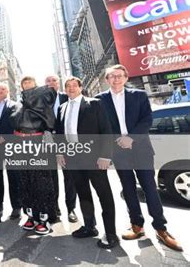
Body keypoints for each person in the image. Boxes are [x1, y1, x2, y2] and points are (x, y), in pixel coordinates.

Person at [96, 64, 182, 251]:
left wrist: (131, 138)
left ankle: (161, 228)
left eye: (119, 76)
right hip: (118, 150)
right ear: (106, 80)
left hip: (141, 148)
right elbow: (102, 127)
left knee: (150, 188)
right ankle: (136, 225)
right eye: (112, 76)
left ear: (126, 78)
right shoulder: (99, 100)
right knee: (128, 189)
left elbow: (147, 120)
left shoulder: (139, 95)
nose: (116, 79)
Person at [56, 76, 118, 249]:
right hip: (73, 158)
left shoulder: (95, 104)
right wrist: (60, 152)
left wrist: (106, 155)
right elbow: (60, 133)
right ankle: (90, 226)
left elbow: (106, 130)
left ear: (80, 87)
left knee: (104, 195)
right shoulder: (62, 108)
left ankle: (111, 233)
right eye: (67, 86)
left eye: (74, 85)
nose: (71, 88)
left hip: (95, 158)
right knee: (83, 194)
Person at [10, 76, 57, 235]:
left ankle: (44, 217)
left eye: (30, 82)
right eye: (24, 83)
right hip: (21, 145)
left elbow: (50, 98)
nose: (27, 85)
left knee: (41, 182)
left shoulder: (43, 97)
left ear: (35, 84)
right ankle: (31, 215)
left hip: (38, 143)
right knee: (25, 182)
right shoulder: (20, 104)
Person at [45, 74, 77, 223]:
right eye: (48, 81)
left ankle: (71, 209)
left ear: (59, 84)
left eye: (54, 81)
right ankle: (54, 208)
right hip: (48, 142)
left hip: (66, 142)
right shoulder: (41, 100)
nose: (51, 83)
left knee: (70, 177)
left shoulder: (67, 97)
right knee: (51, 178)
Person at [0, 82, 21, 220]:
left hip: (9, 144)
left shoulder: (15, 105)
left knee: (13, 176)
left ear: (8, 91)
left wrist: (4, 137)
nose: (0, 91)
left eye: (3, 89)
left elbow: (16, 123)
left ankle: (16, 207)